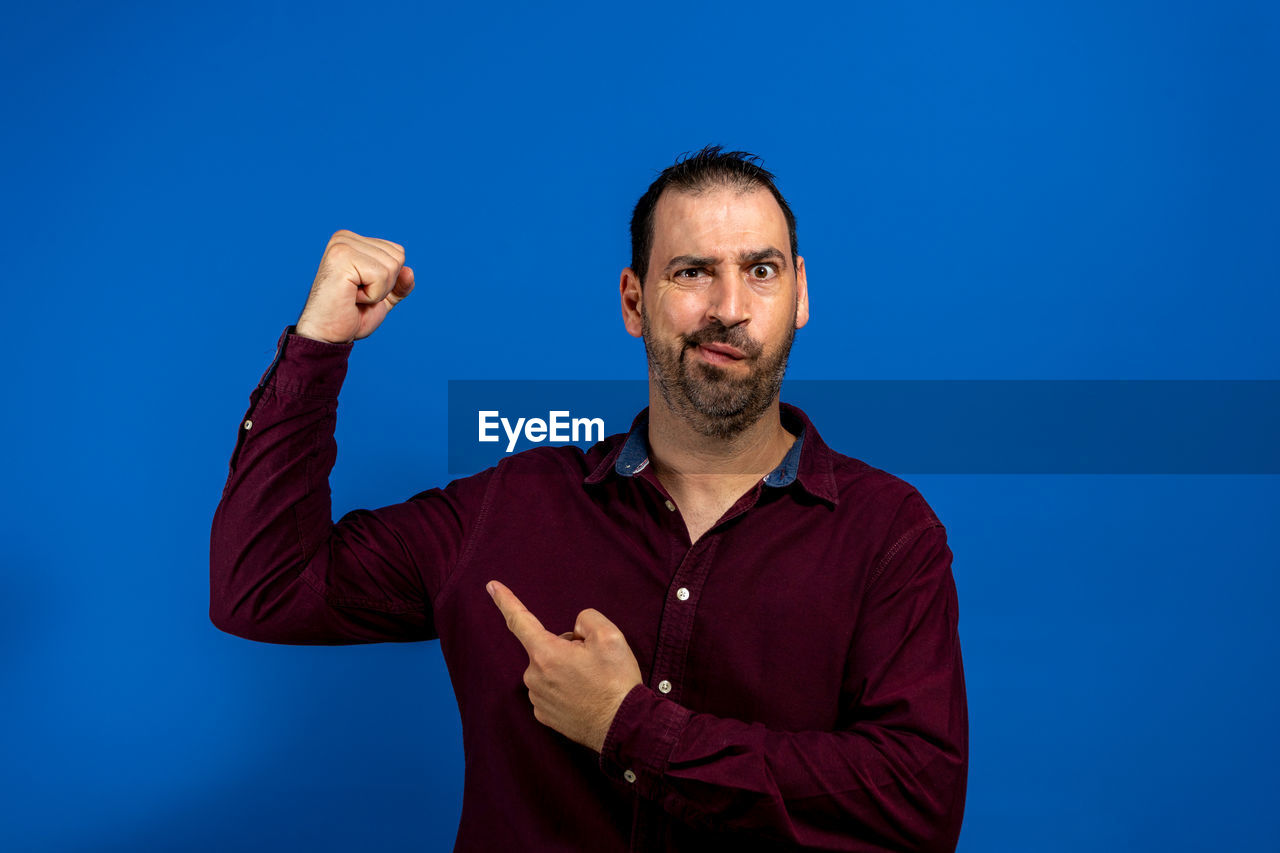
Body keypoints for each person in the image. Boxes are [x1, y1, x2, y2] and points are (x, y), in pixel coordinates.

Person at [210, 146, 968, 851]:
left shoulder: (888, 533)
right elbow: (265, 590)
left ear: (800, 293)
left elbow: (919, 802)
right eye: (693, 271)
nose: (730, 306)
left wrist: (625, 725)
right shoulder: (507, 508)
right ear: (633, 301)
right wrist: (318, 346)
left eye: (761, 270)